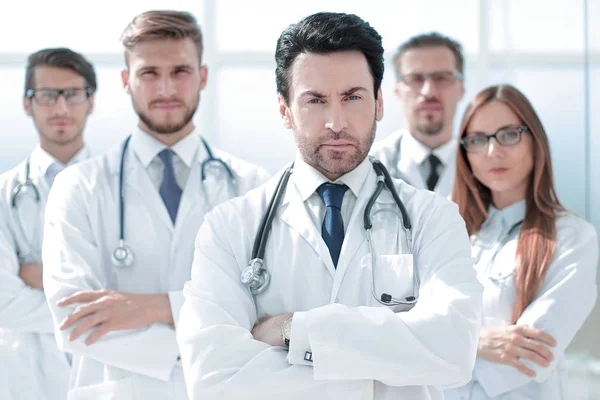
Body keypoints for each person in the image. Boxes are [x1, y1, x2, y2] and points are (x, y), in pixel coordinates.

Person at [177, 12, 483, 399]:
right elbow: (214, 379)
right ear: (285, 110)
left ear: (379, 103)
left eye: (353, 97)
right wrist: (384, 371)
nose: (336, 122)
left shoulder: (432, 218)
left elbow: (453, 351)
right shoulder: (229, 227)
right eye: (315, 100)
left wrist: (294, 331)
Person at [42, 10, 270, 400]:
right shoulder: (78, 186)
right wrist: (209, 330)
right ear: (126, 81)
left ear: (202, 77)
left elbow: (270, 313)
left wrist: (152, 308)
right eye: (149, 73)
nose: (166, 88)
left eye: (180, 71)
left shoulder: (253, 187)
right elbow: (73, 318)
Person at [444, 84, 598, 400]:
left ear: (535, 142)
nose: (493, 151)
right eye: (477, 140)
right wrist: (481, 344)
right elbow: (411, 335)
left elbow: (532, 355)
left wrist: (447, 351)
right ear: (465, 154)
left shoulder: (571, 236)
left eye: (509, 134)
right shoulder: (447, 231)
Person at [0, 47, 96, 400]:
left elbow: (141, 288)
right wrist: (102, 308)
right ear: (28, 103)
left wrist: (39, 276)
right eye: (46, 95)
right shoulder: (3, 194)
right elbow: (4, 305)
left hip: (105, 378)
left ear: (91, 101)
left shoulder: (122, 190)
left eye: (72, 94)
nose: (60, 108)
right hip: (25, 381)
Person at [370, 32, 465, 196]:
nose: (429, 91)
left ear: (462, 88)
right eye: (415, 79)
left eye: (442, 78)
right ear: (397, 89)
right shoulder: (370, 165)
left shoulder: (483, 165)